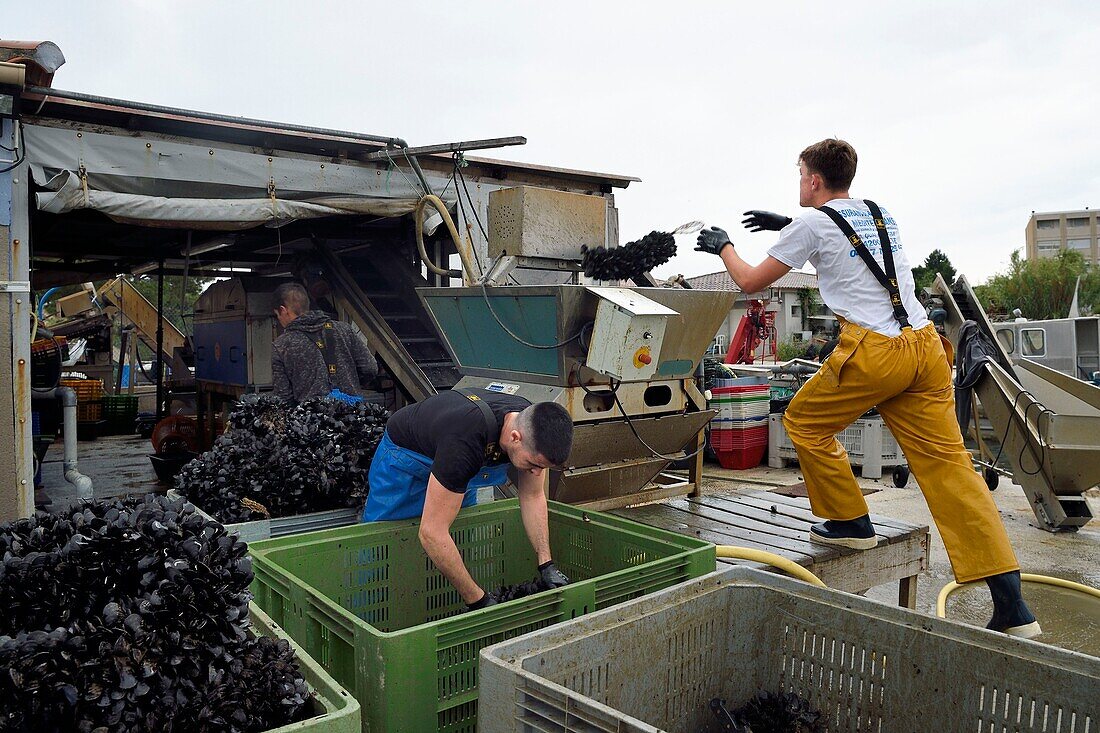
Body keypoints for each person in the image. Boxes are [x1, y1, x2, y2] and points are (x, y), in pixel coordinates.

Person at [695, 138, 1039, 638]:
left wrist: (723, 244)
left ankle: (851, 523)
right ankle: (1013, 607)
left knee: (805, 423)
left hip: (875, 352)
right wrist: (786, 226)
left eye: (801, 175)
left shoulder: (813, 222)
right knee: (951, 470)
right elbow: (845, 253)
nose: (799, 183)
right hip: (923, 347)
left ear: (813, 180)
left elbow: (749, 281)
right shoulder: (880, 214)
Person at [362, 388, 575, 610]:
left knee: (459, 544)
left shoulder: (530, 423)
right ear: (514, 437)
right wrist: (478, 600)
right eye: (534, 464)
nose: (537, 473)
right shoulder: (464, 442)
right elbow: (431, 533)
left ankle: (441, 611)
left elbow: (532, 495)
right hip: (406, 465)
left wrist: (546, 564)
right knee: (382, 553)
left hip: (456, 467)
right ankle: (370, 614)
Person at [270, 283, 378, 404]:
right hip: (353, 415)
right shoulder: (344, 330)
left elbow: (283, 397)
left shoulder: (282, 345)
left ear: (284, 310)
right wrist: (351, 383)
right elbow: (370, 368)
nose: (279, 319)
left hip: (310, 419)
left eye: (277, 315)